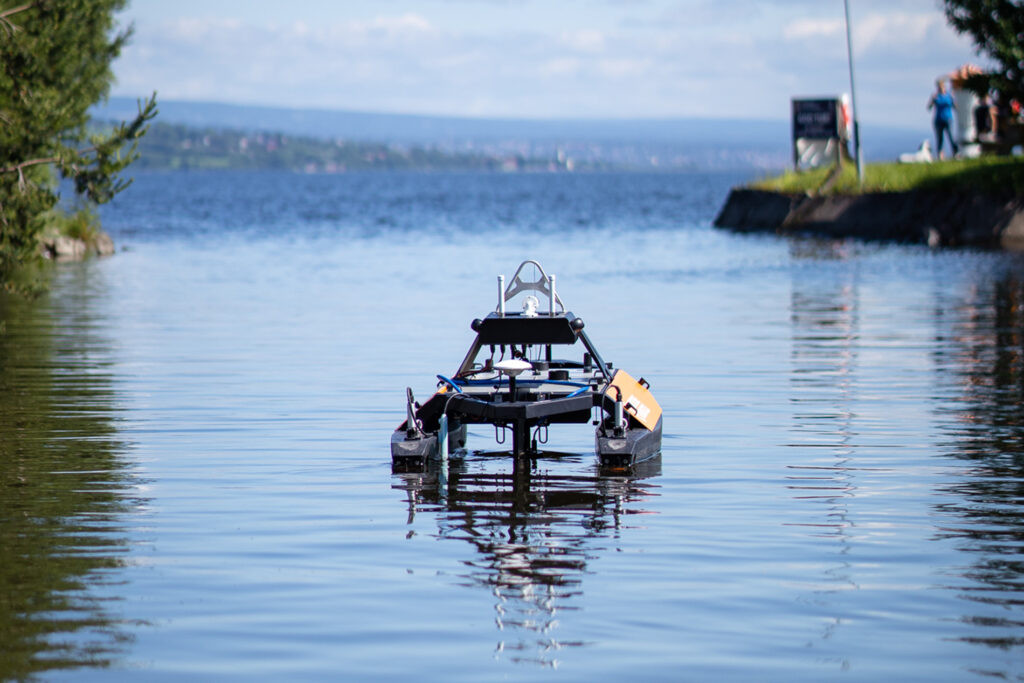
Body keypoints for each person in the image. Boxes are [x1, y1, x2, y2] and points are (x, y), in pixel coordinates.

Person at [928, 79, 958, 159]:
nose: (940, 88)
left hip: (948, 119)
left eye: (941, 86)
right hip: (938, 120)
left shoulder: (949, 95)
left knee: (951, 137)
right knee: (940, 139)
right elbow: (929, 107)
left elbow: (955, 107)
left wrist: (953, 99)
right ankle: (940, 156)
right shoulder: (936, 96)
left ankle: (955, 153)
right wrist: (932, 100)